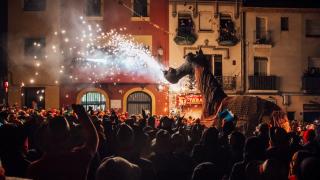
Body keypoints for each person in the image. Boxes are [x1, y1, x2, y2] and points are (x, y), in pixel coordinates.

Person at [27, 104, 98, 180]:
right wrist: (82, 113)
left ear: (46, 139)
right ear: (68, 136)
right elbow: (93, 139)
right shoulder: (79, 159)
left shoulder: (36, 168)